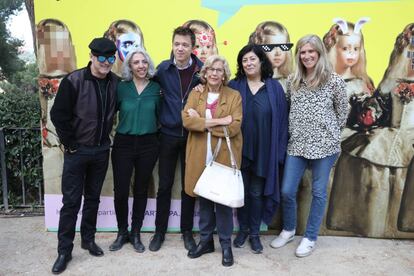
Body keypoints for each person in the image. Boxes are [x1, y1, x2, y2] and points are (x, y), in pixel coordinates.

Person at [327, 23, 414, 237]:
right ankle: (365, 221)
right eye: (409, 52)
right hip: (381, 133)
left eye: (355, 49)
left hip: (407, 137)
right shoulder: (391, 81)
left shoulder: (364, 81)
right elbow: (377, 108)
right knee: (370, 156)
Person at [270, 34, 348, 257]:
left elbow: (342, 111)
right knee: (287, 191)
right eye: (302, 52)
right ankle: (289, 230)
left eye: (311, 51)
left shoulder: (333, 80)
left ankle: (310, 236)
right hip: (297, 145)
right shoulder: (293, 80)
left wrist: (328, 132)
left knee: (319, 192)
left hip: (324, 147)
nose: (306, 56)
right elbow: (287, 108)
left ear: (319, 53)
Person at [50, 37, 119, 274]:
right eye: (101, 58)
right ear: (91, 57)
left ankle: (88, 240)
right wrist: (70, 145)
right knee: (71, 203)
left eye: (110, 58)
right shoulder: (74, 80)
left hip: (101, 151)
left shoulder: (115, 83)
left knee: (93, 199)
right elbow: (59, 115)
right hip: (77, 152)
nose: (106, 63)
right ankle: (64, 251)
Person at [182, 55, 242, 266]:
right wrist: (218, 121)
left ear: (224, 74)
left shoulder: (234, 96)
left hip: (223, 155)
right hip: (199, 154)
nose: (215, 73)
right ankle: (206, 241)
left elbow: (234, 126)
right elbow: (187, 121)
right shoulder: (196, 94)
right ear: (204, 73)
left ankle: (226, 245)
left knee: (223, 203)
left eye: (219, 70)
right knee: (205, 200)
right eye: (211, 69)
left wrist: (203, 122)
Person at [229, 44, 288, 254]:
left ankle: (254, 233)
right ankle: (242, 229)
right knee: (241, 192)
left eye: (252, 59)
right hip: (238, 151)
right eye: (244, 60)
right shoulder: (234, 85)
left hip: (264, 151)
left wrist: (279, 154)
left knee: (256, 193)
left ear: (261, 61)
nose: (248, 63)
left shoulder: (274, 88)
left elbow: (282, 124)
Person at [149, 26, 203, 252]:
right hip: (168, 135)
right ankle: (159, 232)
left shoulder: (202, 71)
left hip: (193, 137)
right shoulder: (163, 69)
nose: (180, 48)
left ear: (193, 48)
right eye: (177, 44)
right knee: (165, 185)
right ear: (172, 45)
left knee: (189, 187)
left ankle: (186, 232)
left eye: (185, 45)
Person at [109, 48, 161, 253]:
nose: (140, 66)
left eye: (144, 62)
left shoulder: (157, 88)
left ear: (148, 65)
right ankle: (122, 232)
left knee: (141, 190)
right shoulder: (121, 88)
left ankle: (136, 232)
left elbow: (162, 116)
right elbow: (109, 113)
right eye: (136, 62)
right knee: (121, 190)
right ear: (129, 66)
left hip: (149, 144)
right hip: (124, 144)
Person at [249, 21, 293, 92]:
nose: (278, 52)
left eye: (283, 46)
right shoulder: (248, 82)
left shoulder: (291, 82)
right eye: (271, 47)